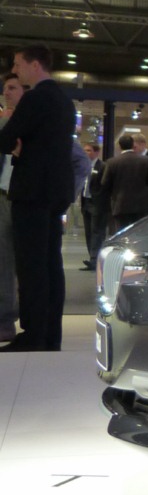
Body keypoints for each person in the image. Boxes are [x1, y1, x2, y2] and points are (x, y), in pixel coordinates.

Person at [0, 47, 77, 352]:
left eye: (18, 64)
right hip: (55, 192)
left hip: (31, 191)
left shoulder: (34, 98)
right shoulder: (64, 101)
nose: (15, 69)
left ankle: (33, 335)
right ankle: (50, 335)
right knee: (51, 265)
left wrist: (17, 146)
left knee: (31, 267)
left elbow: (7, 138)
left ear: (35, 65)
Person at [0, 72, 25, 342]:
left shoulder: (31, 123)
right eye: (5, 88)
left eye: (12, 88)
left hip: (16, 196)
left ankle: (6, 320)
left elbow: (77, 160)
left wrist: (63, 196)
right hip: (5, 195)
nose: (6, 92)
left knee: (8, 261)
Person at [102, 132, 148, 235]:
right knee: (139, 233)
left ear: (120, 146)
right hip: (141, 205)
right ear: (132, 145)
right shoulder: (145, 161)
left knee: (122, 233)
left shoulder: (112, 162)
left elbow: (105, 183)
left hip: (120, 204)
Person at [81, 140, 107, 270]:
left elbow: (104, 186)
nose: (86, 153)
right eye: (85, 150)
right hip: (85, 202)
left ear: (97, 152)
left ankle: (95, 259)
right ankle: (92, 258)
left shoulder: (102, 167)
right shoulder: (84, 166)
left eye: (89, 150)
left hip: (97, 203)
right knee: (88, 232)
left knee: (97, 231)